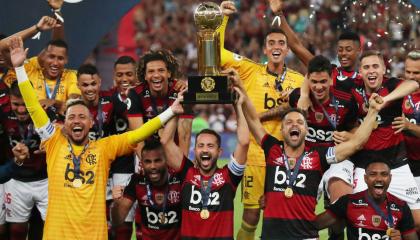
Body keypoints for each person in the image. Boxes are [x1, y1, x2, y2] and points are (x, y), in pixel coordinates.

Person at [9, 36, 184, 240]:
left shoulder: (104, 148)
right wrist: (20, 68)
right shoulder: (54, 140)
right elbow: (32, 106)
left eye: (83, 117)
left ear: (91, 123)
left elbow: (140, 133)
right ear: (64, 124)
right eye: (72, 117)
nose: (77, 121)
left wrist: (171, 111)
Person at [232, 66, 382, 239]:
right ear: (282, 128)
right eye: (289, 122)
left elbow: (356, 143)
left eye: (300, 122)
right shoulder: (272, 149)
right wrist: (240, 87)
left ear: (306, 129)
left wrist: (372, 111)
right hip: (271, 237)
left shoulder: (319, 155)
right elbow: (252, 119)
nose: (294, 125)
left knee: (341, 203)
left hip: (306, 236)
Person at [218, 2, 304, 238]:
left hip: (287, 160)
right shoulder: (250, 70)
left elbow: (305, 113)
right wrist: (223, 18)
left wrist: (291, 104)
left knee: (284, 216)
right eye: (271, 43)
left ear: (287, 49)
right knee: (251, 215)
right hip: (256, 155)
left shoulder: (299, 80)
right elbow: (216, 54)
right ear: (264, 50)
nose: (276, 47)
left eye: (281, 43)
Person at [159, 72, 249, 239]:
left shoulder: (229, 176)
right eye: (200, 146)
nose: (205, 150)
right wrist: (175, 110)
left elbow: (243, 142)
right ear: (195, 150)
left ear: (219, 152)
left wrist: (238, 106)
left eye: (210, 146)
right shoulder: (187, 172)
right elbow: (165, 142)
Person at [351, 50, 420, 231]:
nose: (371, 71)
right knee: (359, 220)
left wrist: (384, 100)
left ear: (383, 69)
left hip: (397, 165)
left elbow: (412, 84)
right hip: (364, 167)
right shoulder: (352, 89)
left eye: (375, 66)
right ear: (360, 71)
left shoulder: (392, 86)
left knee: (418, 222)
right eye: (366, 67)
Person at [288, 55, 358, 202]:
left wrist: (349, 135)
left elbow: (354, 129)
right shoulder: (297, 98)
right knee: (295, 208)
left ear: (331, 78)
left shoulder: (346, 101)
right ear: (308, 80)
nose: (318, 87)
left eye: (323, 81)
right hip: (306, 159)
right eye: (314, 82)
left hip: (335, 157)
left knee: (342, 205)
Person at [315, 160, 418, 240]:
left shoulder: (401, 207)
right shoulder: (349, 202)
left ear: (390, 178)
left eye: (384, 174)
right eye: (373, 174)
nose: (379, 179)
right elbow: (314, 225)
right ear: (365, 178)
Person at [2, 82, 51, 240]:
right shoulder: (2, 114)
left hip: (45, 180)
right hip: (15, 179)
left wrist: (51, 144)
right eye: (16, 104)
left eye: (25, 104)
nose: (21, 110)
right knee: (17, 230)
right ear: (9, 99)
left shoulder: (46, 113)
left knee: (50, 227)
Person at [127, 49, 192, 160]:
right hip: (146, 154)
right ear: (145, 76)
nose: (156, 75)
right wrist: (146, 164)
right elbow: (137, 137)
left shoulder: (181, 92)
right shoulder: (136, 94)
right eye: (151, 71)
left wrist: (182, 169)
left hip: (173, 154)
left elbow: (184, 136)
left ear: (169, 73)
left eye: (161, 70)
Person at [111, 140, 182, 240]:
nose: (153, 166)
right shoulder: (137, 181)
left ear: (166, 160)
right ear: (142, 163)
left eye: (157, 161)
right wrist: (117, 203)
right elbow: (117, 221)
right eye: (148, 162)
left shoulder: (179, 179)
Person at [108, 56, 139, 239]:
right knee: (122, 225)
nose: (124, 78)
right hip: (121, 169)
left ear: (136, 75)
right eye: (120, 74)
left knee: (146, 223)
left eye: (129, 74)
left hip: (146, 167)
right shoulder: (109, 102)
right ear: (114, 76)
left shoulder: (145, 97)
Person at [392, 50, 420, 189]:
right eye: (408, 72)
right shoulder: (398, 92)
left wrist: (409, 126)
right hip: (401, 164)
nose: (411, 76)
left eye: (416, 73)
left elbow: (406, 125)